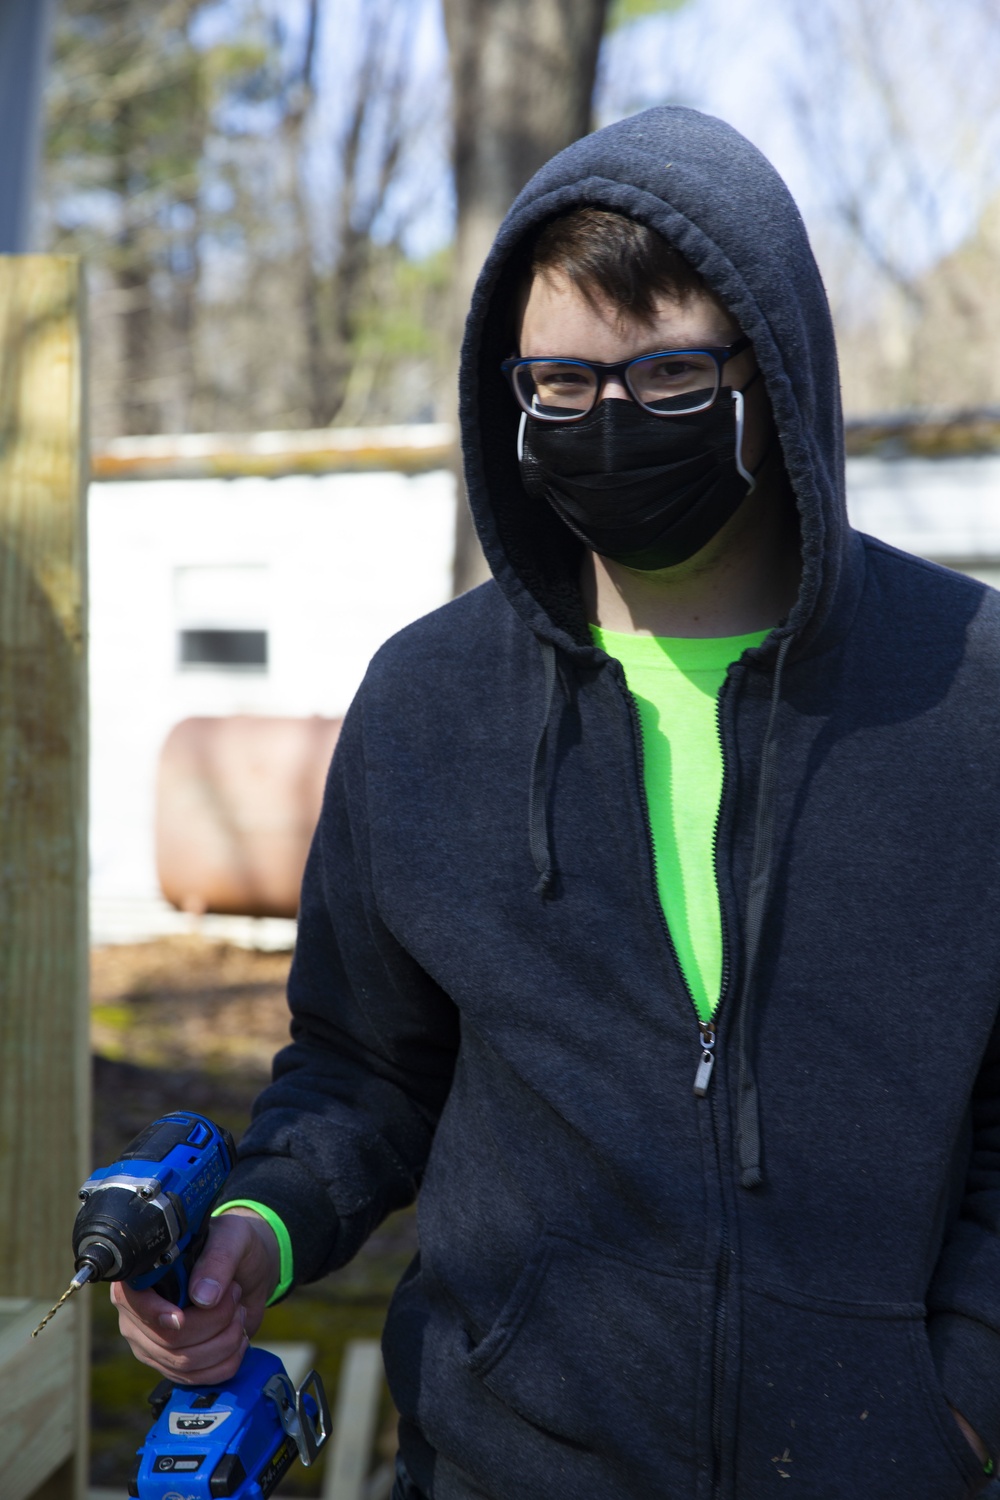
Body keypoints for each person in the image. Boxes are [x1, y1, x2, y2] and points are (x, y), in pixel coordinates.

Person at [113, 107, 1000, 1499]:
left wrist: (960, 1398)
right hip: (500, 1467)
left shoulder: (970, 691)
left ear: (772, 370)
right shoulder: (428, 705)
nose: (610, 420)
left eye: (668, 372)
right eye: (564, 387)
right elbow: (364, 1074)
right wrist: (255, 1232)